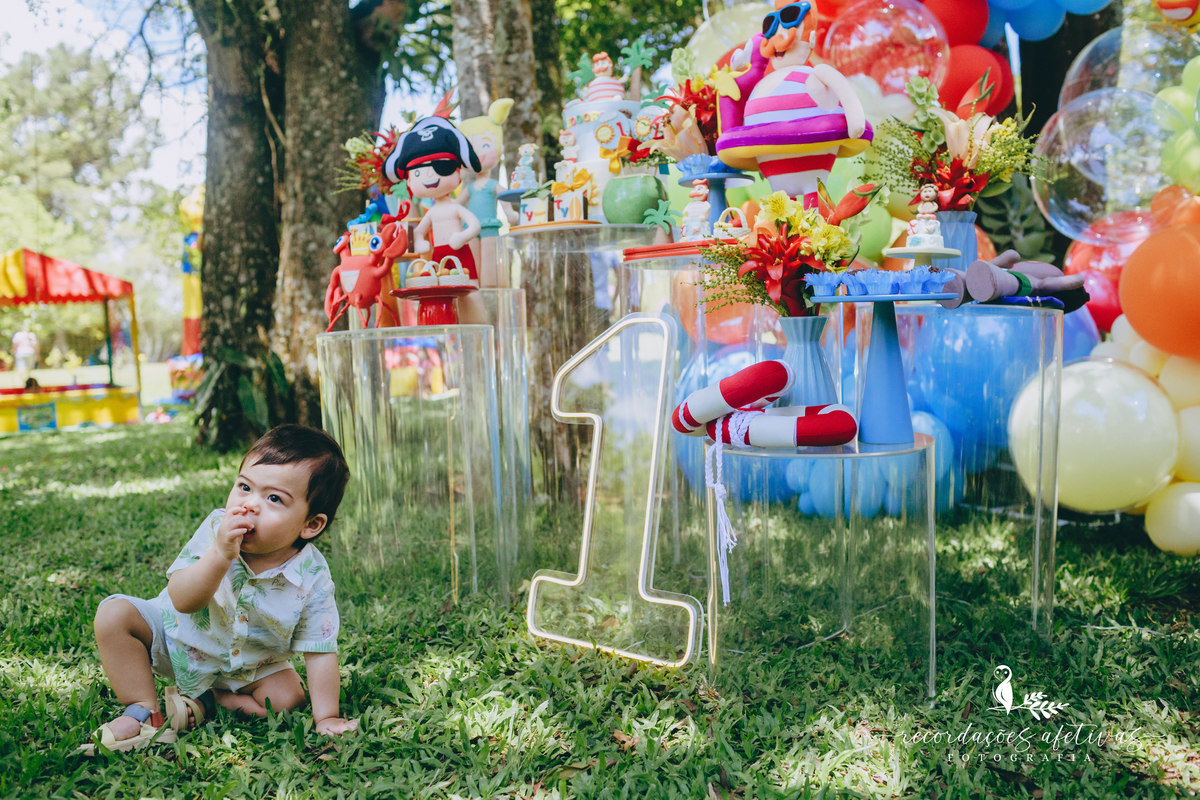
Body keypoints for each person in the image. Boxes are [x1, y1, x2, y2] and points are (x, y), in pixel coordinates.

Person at [81, 425, 357, 755]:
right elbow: (183, 600)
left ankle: (213, 701)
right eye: (244, 487)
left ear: (310, 524)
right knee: (114, 615)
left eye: (273, 498)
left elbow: (320, 649)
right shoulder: (216, 529)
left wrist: (326, 717)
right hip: (179, 638)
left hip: (251, 666)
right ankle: (143, 710)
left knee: (290, 698)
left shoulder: (312, 576)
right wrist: (220, 555)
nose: (249, 505)